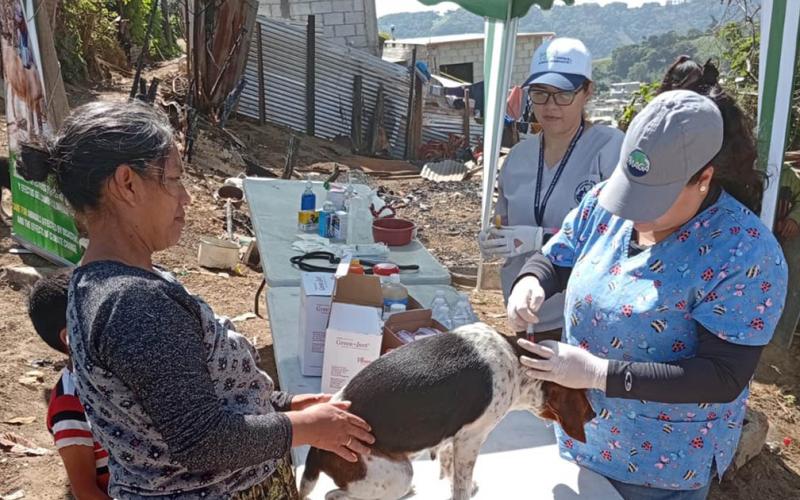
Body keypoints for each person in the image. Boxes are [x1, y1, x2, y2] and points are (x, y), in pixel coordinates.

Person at [18, 101, 375, 499]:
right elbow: (202, 441)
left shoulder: (104, 281)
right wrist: (310, 428)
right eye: (173, 180)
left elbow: (182, 395)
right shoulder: (134, 305)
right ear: (127, 184)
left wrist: (281, 404)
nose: (186, 198)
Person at [506, 88, 787, 499]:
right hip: (583, 434)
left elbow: (723, 376)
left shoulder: (744, 252)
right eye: (630, 192)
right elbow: (561, 254)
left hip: (660, 463)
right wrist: (532, 280)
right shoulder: (604, 203)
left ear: (704, 179)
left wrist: (599, 374)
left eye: (654, 200)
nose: (634, 212)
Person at [479, 37, 624, 340]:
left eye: (564, 94)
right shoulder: (518, 157)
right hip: (523, 311)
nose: (550, 106)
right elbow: (504, 222)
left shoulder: (609, 149)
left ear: (587, 92)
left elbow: (618, 237)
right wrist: (494, 238)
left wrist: (540, 239)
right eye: (540, 93)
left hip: (583, 318)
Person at [28, 269, 111, 500]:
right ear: (70, 337)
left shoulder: (117, 375)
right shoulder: (69, 404)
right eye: (100, 315)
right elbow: (85, 491)